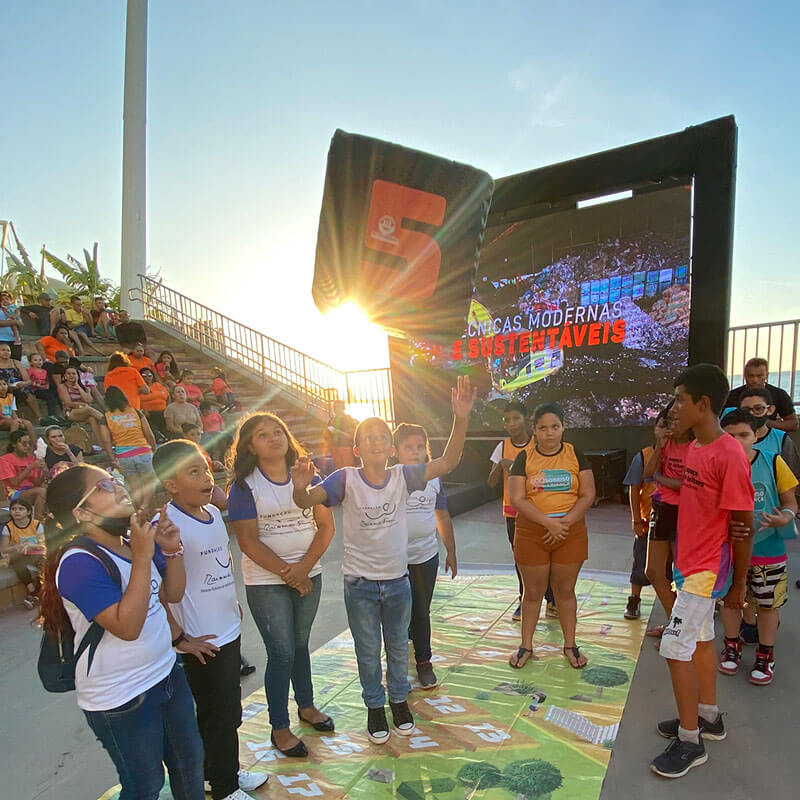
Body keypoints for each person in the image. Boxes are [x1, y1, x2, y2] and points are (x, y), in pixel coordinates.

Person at [291, 377, 475, 745]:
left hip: (397, 581)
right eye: (367, 437)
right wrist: (298, 486)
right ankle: (375, 707)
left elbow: (449, 461)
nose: (375, 441)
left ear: (391, 448)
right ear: (357, 448)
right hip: (359, 584)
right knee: (367, 651)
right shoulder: (345, 479)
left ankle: (398, 701)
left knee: (395, 645)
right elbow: (304, 501)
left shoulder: (403, 476)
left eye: (381, 436)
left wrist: (461, 418)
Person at [38, 465, 205, 799]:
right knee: (145, 785)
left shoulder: (131, 543)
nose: (119, 487)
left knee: (190, 765)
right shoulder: (79, 563)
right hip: (122, 698)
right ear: (81, 512)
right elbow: (127, 627)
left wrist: (171, 550)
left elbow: (171, 594)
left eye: (115, 479)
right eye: (103, 485)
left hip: (166, 674)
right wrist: (143, 558)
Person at [651, 364, 754, 779]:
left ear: (703, 404)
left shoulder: (729, 454)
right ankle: (707, 717)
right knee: (701, 642)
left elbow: (744, 522)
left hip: (706, 571)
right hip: (689, 563)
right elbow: (695, 498)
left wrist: (739, 586)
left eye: (680, 399)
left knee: (675, 650)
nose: (674, 407)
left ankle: (691, 741)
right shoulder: (695, 448)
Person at [152, 440, 268, 800]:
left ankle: (221, 772)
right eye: (194, 471)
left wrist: (231, 606)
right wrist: (179, 638)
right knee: (216, 717)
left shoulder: (214, 514)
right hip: (199, 640)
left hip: (227, 628)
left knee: (229, 710)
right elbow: (156, 591)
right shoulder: (165, 526)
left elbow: (220, 565)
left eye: (205, 467)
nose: (206, 476)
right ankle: (224, 788)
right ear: (171, 485)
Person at [228, 413, 336, 756]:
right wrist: (290, 573)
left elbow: (325, 527)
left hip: (309, 574)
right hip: (265, 581)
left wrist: (303, 569)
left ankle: (307, 706)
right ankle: (280, 727)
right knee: (281, 651)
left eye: (278, 431)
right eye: (263, 435)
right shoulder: (244, 486)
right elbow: (248, 542)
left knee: (300, 644)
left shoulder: (307, 475)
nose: (274, 438)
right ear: (250, 445)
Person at [508, 403, 596, 670]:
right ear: (534, 429)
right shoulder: (523, 459)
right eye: (543, 428)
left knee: (565, 591)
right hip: (532, 532)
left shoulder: (575, 454)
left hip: (570, 531)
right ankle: (526, 646)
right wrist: (548, 524)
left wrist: (564, 523)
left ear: (563, 427)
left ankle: (570, 644)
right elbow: (517, 498)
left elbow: (588, 494)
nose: (549, 433)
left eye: (555, 427)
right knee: (533, 593)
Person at [719, 410, 797, 685]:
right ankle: (732, 645)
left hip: (768, 550)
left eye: (744, 435)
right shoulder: (716, 468)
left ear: (756, 436)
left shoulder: (773, 462)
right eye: (730, 436)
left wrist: (783, 517)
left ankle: (765, 654)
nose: (737, 441)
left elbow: (790, 503)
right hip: (728, 550)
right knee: (729, 600)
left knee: (767, 603)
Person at [394, 422, 457, 689]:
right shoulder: (391, 478)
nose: (415, 452)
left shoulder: (434, 480)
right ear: (396, 451)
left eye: (421, 447)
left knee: (421, 610)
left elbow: (441, 515)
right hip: (395, 560)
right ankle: (397, 663)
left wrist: (451, 551)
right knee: (398, 613)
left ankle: (423, 662)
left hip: (427, 557)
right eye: (408, 447)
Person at [488, 400, 556, 622]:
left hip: (539, 509)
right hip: (513, 512)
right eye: (507, 420)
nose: (511, 424)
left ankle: (551, 599)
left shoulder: (538, 443)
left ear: (526, 420)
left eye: (515, 418)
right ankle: (523, 598)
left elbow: (546, 473)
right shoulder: (502, 447)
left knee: (546, 555)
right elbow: (491, 483)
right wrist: (499, 465)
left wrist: (518, 465)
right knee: (521, 559)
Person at [641, 405, 693, 637]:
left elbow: (691, 486)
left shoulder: (696, 447)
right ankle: (676, 623)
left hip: (687, 512)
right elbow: (647, 474)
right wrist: (659, 448)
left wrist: (662, 478)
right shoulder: (665, 445)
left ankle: (681, 627)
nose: (672, 426)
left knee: (681, 574)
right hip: (662, 508)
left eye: (676, 420)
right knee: (653, 571)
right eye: (667, 421)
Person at [622, 417, 659, 620]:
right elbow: (634, 488)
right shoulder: (644, 456)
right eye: (662, 425)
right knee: (641, 562)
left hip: (678, 523)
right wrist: (637, 520)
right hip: (649, 522)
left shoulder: (686, 453)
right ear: (655, 429)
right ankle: (634, 599)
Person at [100, 386, 157, 511]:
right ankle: (145, 507)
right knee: (150, 483)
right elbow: (149, 434)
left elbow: (106, 441)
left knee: (135, 487)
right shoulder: (136, 412)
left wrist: (113, 458)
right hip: (143, 452)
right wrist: (154, 448)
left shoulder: (106, 417)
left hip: (124, 456)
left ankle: (138, 512)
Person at [737, 387, 800, 477]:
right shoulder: (731, 438)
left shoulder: (781, 439)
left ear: (770, 410)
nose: (752, 413)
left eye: (758, 409)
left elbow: (793, 476)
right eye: (746, 410)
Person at [725, 357, 798, 432]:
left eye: (760, 376)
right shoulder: (732, 395)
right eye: (751, 376)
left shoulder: (779, 394)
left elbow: (793, 424)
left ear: (767, 375)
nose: (755, 380)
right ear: (745, 376)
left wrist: (765, 423)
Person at [0, 497, 45, 608]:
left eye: (21, 509)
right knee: (17, 561)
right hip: (19, 554)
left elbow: (43, 545)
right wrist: (16, 547)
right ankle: (32, 590)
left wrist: (31, 545)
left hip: (35, 553)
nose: (17, 511)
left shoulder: (36, 524)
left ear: (28, 511)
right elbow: (3, 549)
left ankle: (38, 593)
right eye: (14, 509)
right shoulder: (8, 527)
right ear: (10, 512)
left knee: (44, 564)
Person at [180, 423, 228, 511]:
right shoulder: (182, 453)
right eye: (192, 434)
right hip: (195, 486)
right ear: (184, 435)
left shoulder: (201, 449)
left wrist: (214, 464)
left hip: (209, 483)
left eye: (198, 434)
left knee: (223, 503)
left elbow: (207, 464)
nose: (196, 437)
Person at [0, 429, 47, 518]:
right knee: (41, 491)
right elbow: (14, 482)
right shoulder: (4, 459)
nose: (28, 446)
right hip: (15, 493)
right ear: (14, 445)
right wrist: (30, 467)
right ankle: (38, 521)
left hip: (32, 491)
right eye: (24, 443)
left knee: (49, 491)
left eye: (29, 443)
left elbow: (37, 483)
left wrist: (44, 472)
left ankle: (42, 520)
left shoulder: (32, 458)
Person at [57, 366, 104, 441]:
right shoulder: (62, 386)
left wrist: (78, 387)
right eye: (68, 374)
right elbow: (68, 403)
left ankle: (102, 444)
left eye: (73, 373)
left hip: (84, 411)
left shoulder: (82, 386)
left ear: (77, 376)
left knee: (92, 419)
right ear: (65, 376)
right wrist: (82, 405)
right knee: (89, 409)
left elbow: (88, 400)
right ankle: (107, 420)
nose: (71, 375)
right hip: (70, 412)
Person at [323, 399, 357, 469]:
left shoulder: (348, 420)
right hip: (334, 448)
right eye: (335, 407)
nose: (336, 409)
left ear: (343, 408)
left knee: (349, 470)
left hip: (345, 448)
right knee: (340, 471)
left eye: (338, 407)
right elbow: (326, 435)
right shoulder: (332, 420)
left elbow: (351, 436)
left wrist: (339, 432)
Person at [27, 351, 60, 417]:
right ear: (30, 362)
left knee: (55, 394)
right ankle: (51, 415)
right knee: (50, 397)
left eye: (40, 360)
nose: (38, 362)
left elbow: (47, 380)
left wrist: (47, 385)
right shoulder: (30, 370)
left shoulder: (44, 371)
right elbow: (28, 380)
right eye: (35, 360)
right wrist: (35, 384)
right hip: (36, 390)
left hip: (44, 389)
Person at [139, 367, 170, 436]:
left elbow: (168, 397)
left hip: (163, 411)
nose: (147, 377)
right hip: (148, 413)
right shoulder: (139, 388)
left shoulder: (158, 385)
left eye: (150, 375)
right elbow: (136, 400)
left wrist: (168, 408)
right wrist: (142, 410)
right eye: (144, 376)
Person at [0, 290, 23, 360]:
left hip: (14, 340)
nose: (5, 301)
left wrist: (16, 321)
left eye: (7, 299)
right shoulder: (2, 310)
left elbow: (21, 324)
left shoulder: (13, 308)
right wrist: (14, 322)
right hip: (1, 339)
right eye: (2, 299)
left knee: (16, 361)